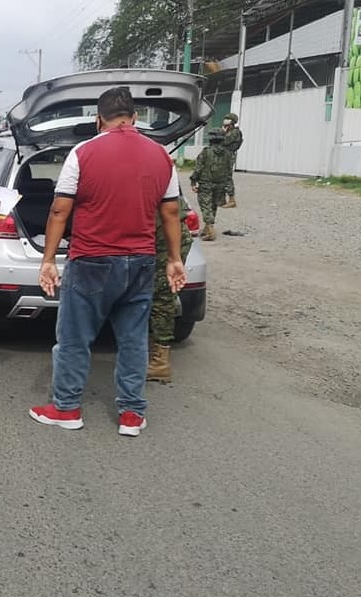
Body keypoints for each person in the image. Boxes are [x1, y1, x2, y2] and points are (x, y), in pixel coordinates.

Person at [28, 86, 186, 437]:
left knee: (73, 338)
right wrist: (174, 259)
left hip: (92, 261)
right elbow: (171, 211)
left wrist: (48, 260)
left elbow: (59, 209)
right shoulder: (161, 155)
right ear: (134, 118)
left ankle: (66, 408)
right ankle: (132, 414)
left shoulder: (82, 152)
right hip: (142, 261)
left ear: (99, 119)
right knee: (132, 340)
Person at [147, 193, 194, 383]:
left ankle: (160, 362)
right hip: (159, 235)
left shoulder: (152, 168)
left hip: (165, 240)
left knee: (161, 295)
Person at [190, 129, 233, 241]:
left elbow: (198, 168)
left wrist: (193, 181)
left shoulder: (206, 152)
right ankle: (208, 228)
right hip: (220, 184)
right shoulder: (228, 154)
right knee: (213, 206)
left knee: (206, 206)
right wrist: (230, 191)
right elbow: (229, 173)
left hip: (206, 184)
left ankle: (210, 230)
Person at [221, 112, 243, 208]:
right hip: (223, 155)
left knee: (227, 177)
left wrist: (222, 133)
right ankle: (221, 199)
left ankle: (232, 200)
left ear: (232, 122)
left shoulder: (235, 132)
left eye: (228, 121)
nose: (225, 122)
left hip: (229, 156)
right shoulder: (228, 131)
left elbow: (224, 141)